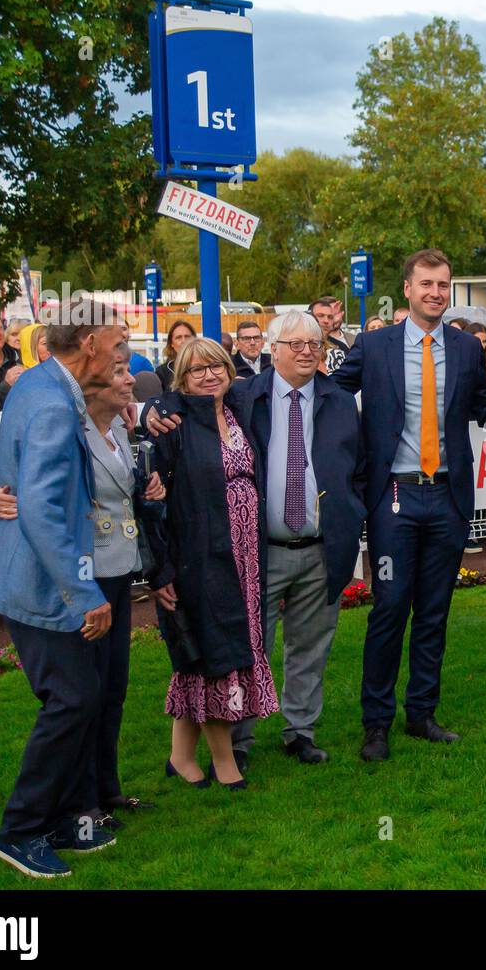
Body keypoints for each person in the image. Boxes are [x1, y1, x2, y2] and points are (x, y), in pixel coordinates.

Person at [333, 248, 486, 762]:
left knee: (434, 613)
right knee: (390, 608)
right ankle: (376, 723)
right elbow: (329, 398)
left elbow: (482, 408)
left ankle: (421, 713)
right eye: (426, 284)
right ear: (407, 288)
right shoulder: (374, 347)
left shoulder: (467, 349)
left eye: (443, 284)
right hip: (393, 498)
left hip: (447, 497)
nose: (435, 293)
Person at [146, 312, 366, 769]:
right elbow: (185, 401)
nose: (307, 351)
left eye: (315, 343)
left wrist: (351, 511)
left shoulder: (340, 401)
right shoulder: (244, 394)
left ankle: (300, 730)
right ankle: (237, 739)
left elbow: (357, 468)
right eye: (296, 343)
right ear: (273, 348)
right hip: (255, 552)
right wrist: (155, 411)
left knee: (310, 646)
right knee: (246, 645)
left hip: (321, 548)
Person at [0, 351, 166, 826]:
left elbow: (125, 497)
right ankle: (79, 807)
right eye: (121, 372)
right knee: (80, 697)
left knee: (110, 692)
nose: (130, 382)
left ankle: (106, 792)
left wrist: (151, 493)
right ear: (93, 388)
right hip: (81, 579)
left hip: (119, 572)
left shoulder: (123, 430)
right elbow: (34, 492)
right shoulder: (68, 426)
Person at [0, 299, 128, 879]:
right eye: (116, 341)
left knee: (82, 697)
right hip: (41, 586)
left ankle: (70, 817)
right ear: (88, 343)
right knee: (72, 701)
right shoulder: (49, 401)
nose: (123, 352)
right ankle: (21, 830)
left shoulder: (42, 382)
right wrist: (85, 594)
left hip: (34, 577)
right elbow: (41, 509)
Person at [149, 338, 281, 791]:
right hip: (200, 557)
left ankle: (181, 755)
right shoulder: (173, 423)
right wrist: (162, 568)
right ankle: (225, 763)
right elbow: (153, 504)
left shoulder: (238, 410)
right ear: (181, 380)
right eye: (196, 370)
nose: (209, 376)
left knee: (202, 653)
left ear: (230, 370)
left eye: (216, 367)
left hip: (245, 554)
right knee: (212, 652)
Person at [309, 296, 349, 374]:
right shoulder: (297, 346)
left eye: (330, 317)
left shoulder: (341, 348)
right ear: (309, 317)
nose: (326, 321)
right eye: (321, 315)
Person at [156, 320, 196, 392]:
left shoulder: (206, 366)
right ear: (172, 344)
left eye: (187, 336)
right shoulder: (162, 372)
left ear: (194, 339)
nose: (183, 341)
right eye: (178, 337)